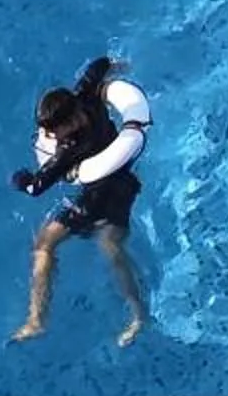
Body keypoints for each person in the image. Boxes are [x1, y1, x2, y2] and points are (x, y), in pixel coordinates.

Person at [9, 53, 151, 348]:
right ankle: (37, 320)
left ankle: (139, 315)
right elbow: (98, 66)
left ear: (70, 122)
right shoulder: (85, 94)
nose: (49, 136)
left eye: (52, 130)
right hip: (97, 188)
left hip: (117, 189)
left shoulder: (69, 149)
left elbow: (37, 187)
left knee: (110, 246)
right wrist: (119, 64)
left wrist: (18, 179)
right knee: (44, 243)